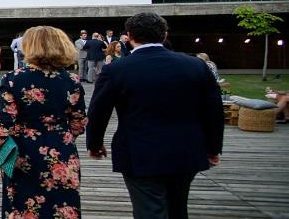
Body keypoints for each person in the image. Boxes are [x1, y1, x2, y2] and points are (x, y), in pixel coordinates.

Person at [87, 13, 224, 219]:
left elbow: (99, 110)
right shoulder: (195, 65)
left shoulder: (117, 69)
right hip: (187, 149)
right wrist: (213, 148)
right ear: (165, 34)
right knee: (178, 208)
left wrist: (95, 144)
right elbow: (213, 110)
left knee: (149, 210)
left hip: (138, 151)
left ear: (130, 36)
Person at [0, 26, 87, 219]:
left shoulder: (13, 79)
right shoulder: (72, 80)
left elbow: (5, 119)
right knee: (63, 204)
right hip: (62, 148)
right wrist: (61, 134)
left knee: (22, 204)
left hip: (23, 151)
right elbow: (79, 122)